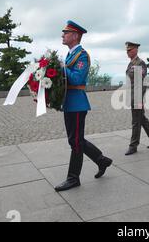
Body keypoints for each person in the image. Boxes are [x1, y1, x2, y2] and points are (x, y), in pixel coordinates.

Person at [54, 20, 113, 192]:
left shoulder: (82, 55)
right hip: (69, 103)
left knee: (76, 142)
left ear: (75, 36)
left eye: (66, 32)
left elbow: (77, 79)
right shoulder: (70, 54)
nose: (62, 35)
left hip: (78, 104)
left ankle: (73, 178)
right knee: (75, 140)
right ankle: (101, 160)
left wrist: (61, 68)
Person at [124, 41, 149, 155]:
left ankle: (133, 145)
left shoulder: (140, 63)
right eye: (127, 50)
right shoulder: (131, 63)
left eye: (130, 50)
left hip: (137, 97)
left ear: (136, 50)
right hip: (132, 95)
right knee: (141, 118)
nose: (128, 52)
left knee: (136, 121)